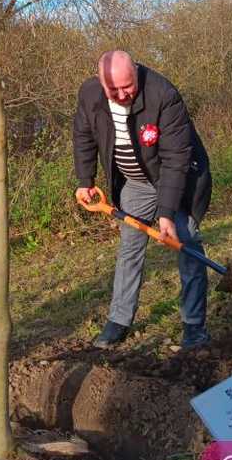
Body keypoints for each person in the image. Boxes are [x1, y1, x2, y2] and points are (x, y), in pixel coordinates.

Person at [73, 50, 212, 349]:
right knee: (130, 250)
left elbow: (177, 159)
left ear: (135, 71)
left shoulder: (164, 95)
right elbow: (83, 135)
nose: (123, 94)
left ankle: (194, 326)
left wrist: (165, 213)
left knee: (186, 243)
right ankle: (119, 319)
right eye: (115, 89)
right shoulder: (89, 95)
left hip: (176, 180)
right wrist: (86, 181)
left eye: (128, 86)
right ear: (101, 82)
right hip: (135, 184)